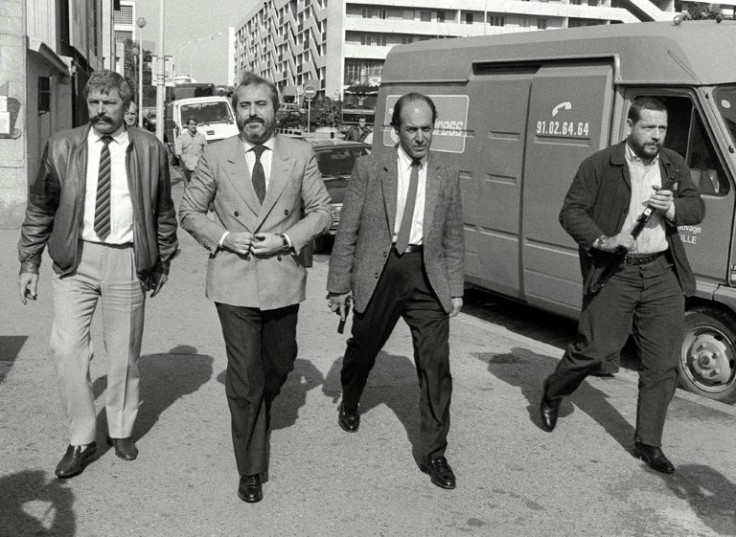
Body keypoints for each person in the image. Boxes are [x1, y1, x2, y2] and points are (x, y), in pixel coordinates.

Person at [179, 72, 331, 503]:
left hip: (283, 276)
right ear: (236, 111)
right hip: (233, 279)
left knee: (279, 364)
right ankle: (250, 468)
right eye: (244, 106)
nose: (252, 114)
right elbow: (191, 211)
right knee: (245, 377)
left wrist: (286, 238)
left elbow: (320, 211)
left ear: (275, 110)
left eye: (260, 105)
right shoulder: (215, 154)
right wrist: (225, 237)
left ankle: (259, 409)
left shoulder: (299, 154)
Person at [17, 70, 178, 478]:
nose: (101, 111)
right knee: (67, 349)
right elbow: (41, 208)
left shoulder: (150, 148)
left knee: (123, 352)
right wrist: (29, 262)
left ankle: (121, 428)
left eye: (109, 103)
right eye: (94, 103)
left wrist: (162, 260)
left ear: (127, 106)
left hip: (128, 259)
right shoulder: (61, 146)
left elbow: (162, 211)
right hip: (76, 259)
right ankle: (82, 438)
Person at [539, 96, 705, 474]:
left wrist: (673, 208)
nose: (656, 136)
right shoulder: (600, 164)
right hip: (617, 270)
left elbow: (695, 207)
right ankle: (555, 389)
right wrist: (603, 240)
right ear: (629, 126)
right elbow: (571, 212)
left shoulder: (673, 164)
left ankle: (648, 442)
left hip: (662, 271)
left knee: (663, 363)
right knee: (595, 350)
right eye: (648, 127)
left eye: (662, 128)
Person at [327, 92, 464, 490]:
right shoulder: (370, 169)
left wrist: (455, 289)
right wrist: (338, 286)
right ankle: (350, 398)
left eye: (427, 129)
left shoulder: (446, 172)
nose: (420, 137)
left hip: (427, 274)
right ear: (395, 131)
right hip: (381, 269)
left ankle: (434, 452)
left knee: (436, 366)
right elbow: (347, 231)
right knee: (363, 347)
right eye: (412, 129)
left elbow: (453, 236)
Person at [175, 117, 207, 183]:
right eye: (191, 124)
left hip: (199, 167)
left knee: (199, 187)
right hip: (187, 167)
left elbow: (206, 150)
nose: (193, 126)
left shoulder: (201, 137)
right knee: (188, 188)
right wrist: (183, 163)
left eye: (195, 124)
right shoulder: (181, 138)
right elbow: (178, 152)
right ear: (187, 125)